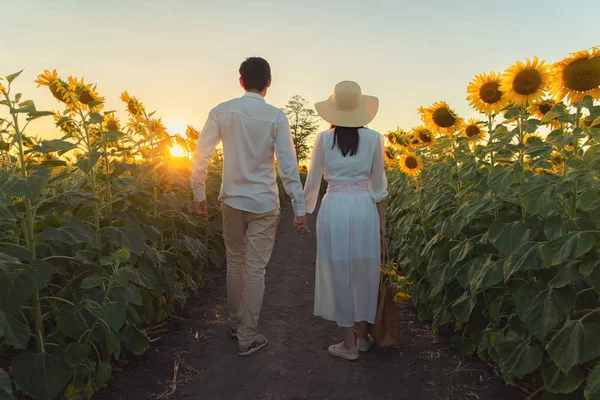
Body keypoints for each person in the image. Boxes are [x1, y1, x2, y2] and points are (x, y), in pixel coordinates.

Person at [190, 57, 309, 356]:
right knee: (256, 269)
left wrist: (199, 193)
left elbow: (201, 154)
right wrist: (299, 208)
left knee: (235, 262)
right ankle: (248, 335)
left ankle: (235, 323)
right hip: (264, 203)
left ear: (241, 81)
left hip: (231, 199)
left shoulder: (222, 111)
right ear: (268, 84)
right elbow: (288, 167)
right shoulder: (277, 118)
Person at [299, 81, 388, 361]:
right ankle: (362, 338)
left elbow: (312, 180)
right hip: (364, 207)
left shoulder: (324, 140)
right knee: (366, 269)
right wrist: (382, 222)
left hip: (335, 206)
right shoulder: (375, 138)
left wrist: (303, 212)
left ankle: (348, 343)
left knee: (339, 270)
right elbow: (379, 185)